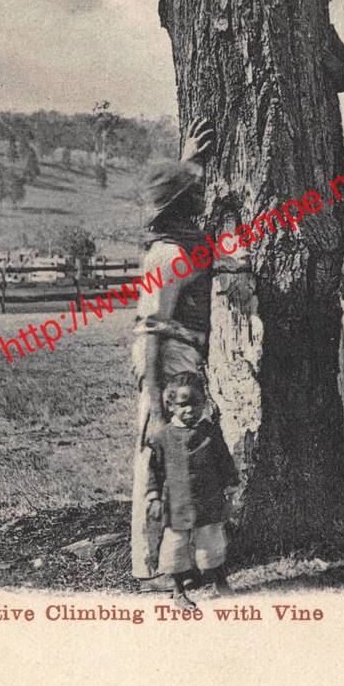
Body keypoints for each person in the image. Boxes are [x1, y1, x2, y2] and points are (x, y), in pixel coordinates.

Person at [131, 116, 215, 585]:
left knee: (183, 465)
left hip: (185, 361)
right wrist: (155, 399)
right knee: (160, 462)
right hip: (167, 366)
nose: (202, 201)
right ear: (181, 209)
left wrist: (189, 163)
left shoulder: (182, 245)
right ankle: (152, 565)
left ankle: (175, 561)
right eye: (194, 197)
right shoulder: (168, 256)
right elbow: (150, 331)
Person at [144, 372, 238, 608]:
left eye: (196, 404)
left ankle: (220, 581)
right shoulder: (163, 437)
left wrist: (231, 486)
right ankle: (178, 591)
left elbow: (224, 461)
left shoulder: (210, 433)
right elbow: (154, 471)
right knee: (175, 549)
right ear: (171, 405)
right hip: (177, 505)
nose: (190, 411)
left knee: (212, 546)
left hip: (209, 501)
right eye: (183, 405)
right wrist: (154, 497)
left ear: (204, 404)